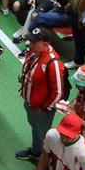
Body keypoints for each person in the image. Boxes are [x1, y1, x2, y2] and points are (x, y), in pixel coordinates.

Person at [17, 27, 65, 161]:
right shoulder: (33, 53)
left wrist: (44, 108)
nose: (30, 44)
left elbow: (58, 92)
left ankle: (49, 163)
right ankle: (36, 152)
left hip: (42, 109)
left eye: (34, 42)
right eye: (30, 41)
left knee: (45, 136)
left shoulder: (53, 63)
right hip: (30, 103)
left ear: (45, 43)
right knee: (35, 129)